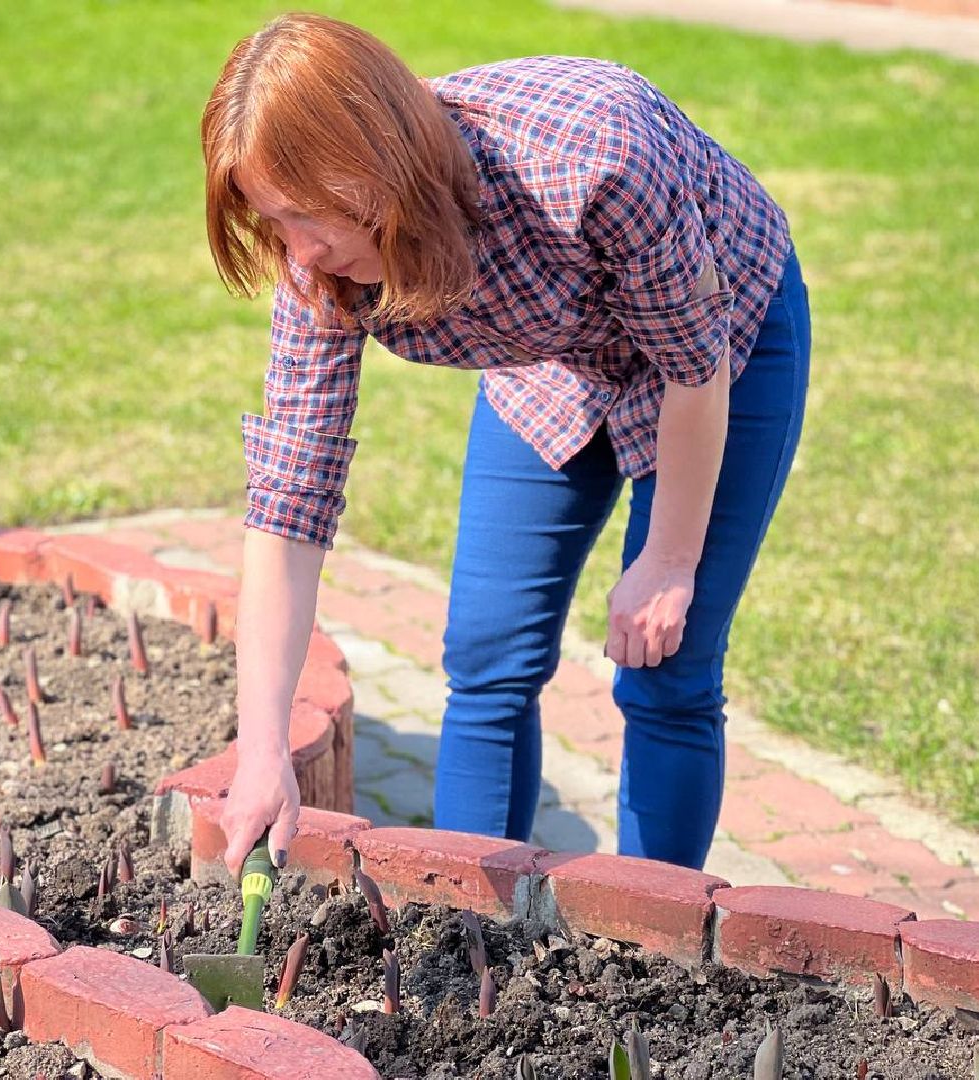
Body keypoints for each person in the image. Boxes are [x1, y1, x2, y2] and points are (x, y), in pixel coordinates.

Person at [203, 12, 810, 880]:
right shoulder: (317, 267)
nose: (301, 252)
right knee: (487, 656)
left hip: (722, 342)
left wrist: (671, 561)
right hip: (550, 360)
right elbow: (288, 503)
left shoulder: (597, 153)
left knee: (665, 667)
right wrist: (263, 747)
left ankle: (656, 935)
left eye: (309, 215)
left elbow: (693, 365)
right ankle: (472, 925)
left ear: (377, 162)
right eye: (276, 220)